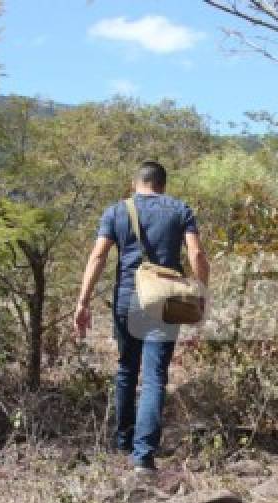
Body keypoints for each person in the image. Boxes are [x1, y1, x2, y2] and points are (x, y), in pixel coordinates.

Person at [73, 161, 211, 473]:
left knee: (126, 369)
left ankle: (123, 441)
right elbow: (197, 255)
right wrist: (200, 292)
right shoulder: (180, 210)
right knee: (154, 376)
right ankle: (143, 455)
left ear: (135, 183)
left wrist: (82, 302)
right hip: (165, 301)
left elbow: (98, 256)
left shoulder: (116, 211)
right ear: (163, 184)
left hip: (126, 300)